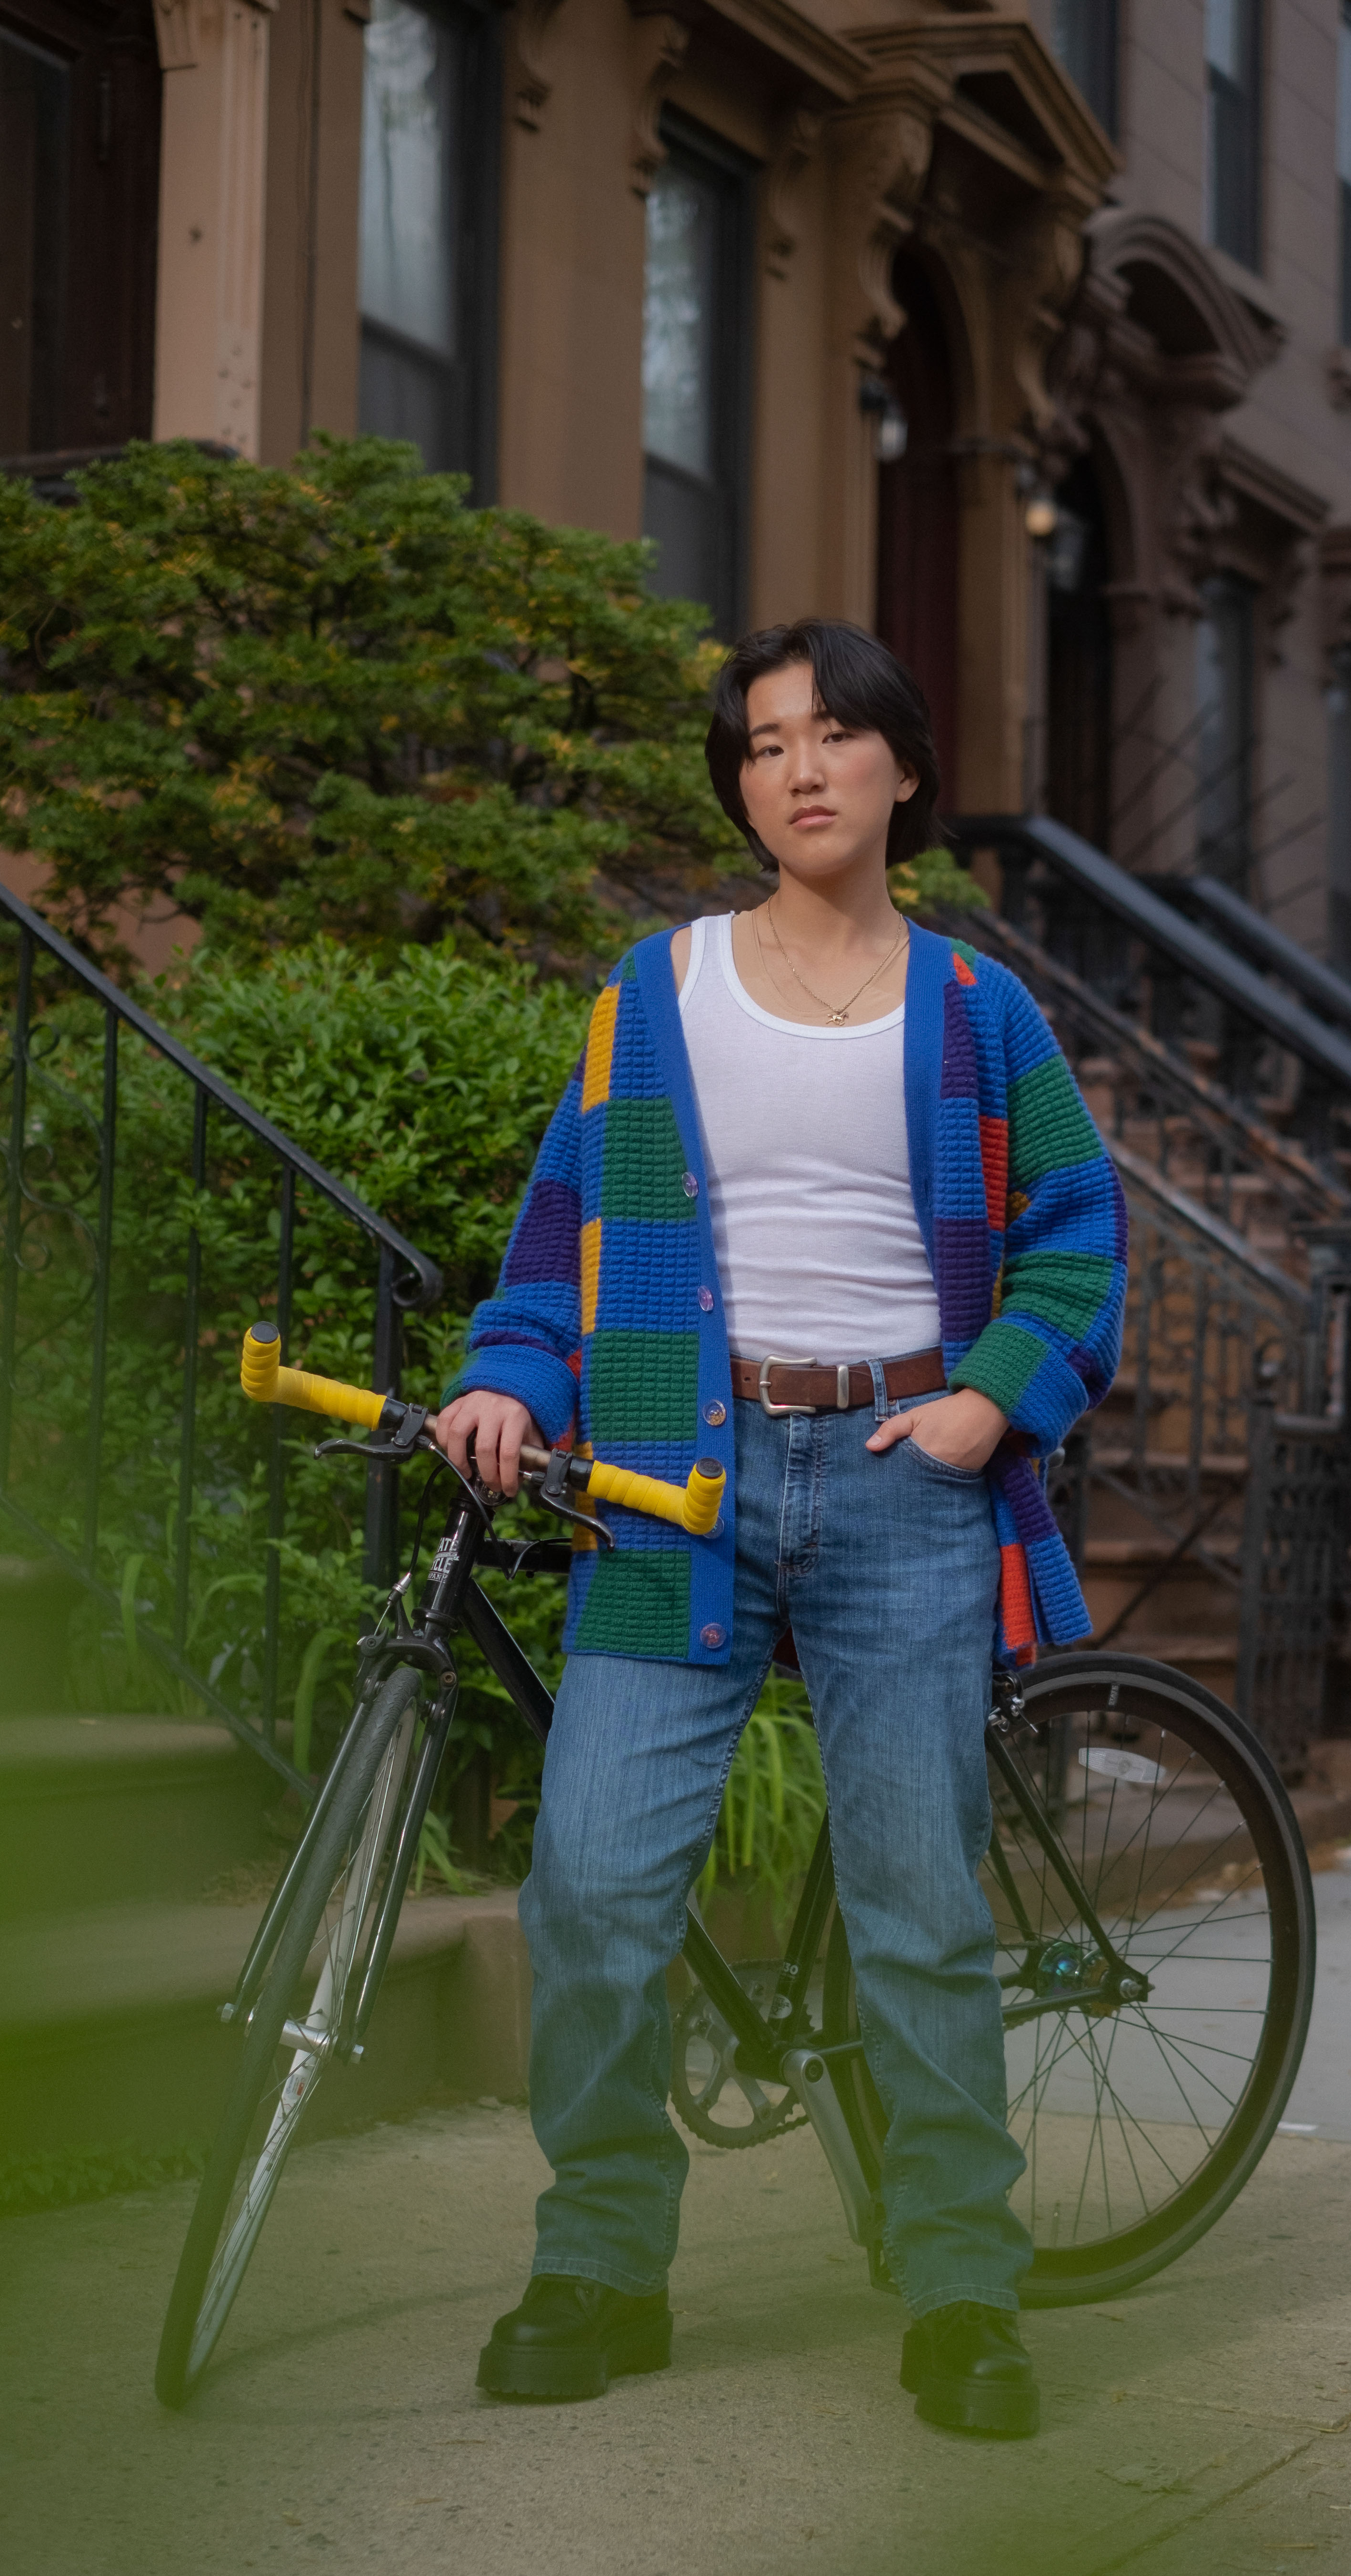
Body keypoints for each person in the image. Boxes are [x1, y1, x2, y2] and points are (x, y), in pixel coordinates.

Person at [434, 619, 1125, 2438]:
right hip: (680, 1476)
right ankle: (599, 2256)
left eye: (832, 734)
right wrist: (519, 1379)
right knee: (592, 1880)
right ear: (737, 784)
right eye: (760, 744)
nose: (796, 768)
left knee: (911, 1903)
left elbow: (1073, 1234)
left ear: (902, 765)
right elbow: (553, 1233)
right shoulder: (652, 991)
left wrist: (989, 1398)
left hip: (905, 1476)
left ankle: (961, 2289)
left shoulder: (982, 1011)